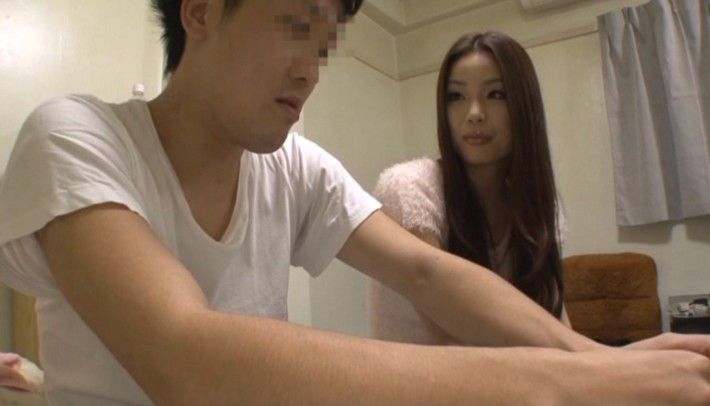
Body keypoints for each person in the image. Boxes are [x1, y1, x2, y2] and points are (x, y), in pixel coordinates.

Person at [0, 1, 708, 405]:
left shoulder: (295, 168)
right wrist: (571, 381)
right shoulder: (76, 136)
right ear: (203, 10)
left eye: (323, 43)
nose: (311, 70)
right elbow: (184, 355)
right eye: (294, 25)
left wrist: (602, 359)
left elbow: (427, 272)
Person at [369, 31, 572, 344]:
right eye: (456, 96)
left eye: (495, 94)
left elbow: (555, 324)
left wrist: (599, 362)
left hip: (512, 372)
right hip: (425, 375)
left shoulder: (538, 210)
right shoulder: (410, 189)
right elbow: (453, 339)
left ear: (524, 106)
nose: (474, 113)